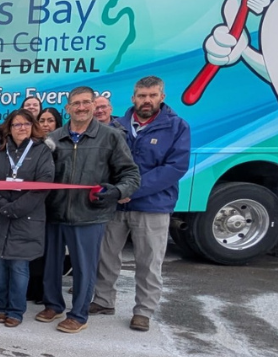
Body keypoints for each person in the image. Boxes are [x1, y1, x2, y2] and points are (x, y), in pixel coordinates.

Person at [38, 86, 140, 334]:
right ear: (68, 108)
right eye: (76, 103)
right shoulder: (54, 138)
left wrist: (116, 192)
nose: (81, 107)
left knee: (84, 268)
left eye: (86, 102)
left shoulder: (110, 137)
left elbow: (130, 174)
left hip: (90, 214)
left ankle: (79, 314)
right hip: (55, 212)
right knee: (51, 265)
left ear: (94, 106)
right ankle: (53, 305)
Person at [92, 76, 191, 332]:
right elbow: (104, 162)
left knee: (148, 262)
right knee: (105, 256)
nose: (147, 100)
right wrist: (114, 190)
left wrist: (131, 190)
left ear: (162, 97)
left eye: (152, 95)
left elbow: (174, 167)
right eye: (142, 96)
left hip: (152, 206)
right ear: (133, 98)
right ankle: (103, 300)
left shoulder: (176, 127)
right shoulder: (117, 126)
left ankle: (143, 311)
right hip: (116, 205)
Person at [0, 110, 55, 328]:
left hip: (26, 218)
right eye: (17, 124)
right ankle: (1, 307)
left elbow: (43, 185)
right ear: (9, 128)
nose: (22, 128)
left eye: (26, 124)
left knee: (19, 268)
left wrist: (15, 208)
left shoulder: (42, 150)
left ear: (33, 126)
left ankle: (15, 310)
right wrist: (2, 205)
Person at [27, 106, 67, 303]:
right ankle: (32, 289)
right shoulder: (32, 146)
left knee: (51, 253)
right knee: (34, 251)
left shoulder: (64, 145)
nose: (45, 125)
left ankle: (48, 291)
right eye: (42, 120)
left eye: (50, 121)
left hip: (57, 205)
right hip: (35, 205)